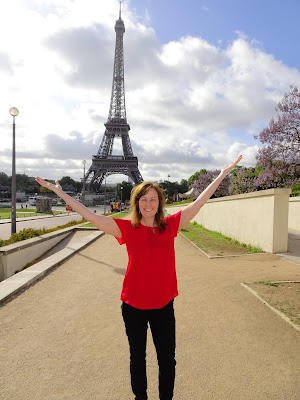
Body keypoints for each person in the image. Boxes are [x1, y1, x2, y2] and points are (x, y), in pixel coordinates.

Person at [35, 154, 242, 400]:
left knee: (167, 359)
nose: (148, 204)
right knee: (138, 358)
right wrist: (60, 193)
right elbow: (92, 217)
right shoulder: (127, 228)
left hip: (164, 304)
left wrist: (221, 174)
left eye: (153, 199)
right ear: (137, 202)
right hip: (133, 304)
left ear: (159, 203)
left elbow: (198, 203)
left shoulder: (171, 225)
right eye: (144, 199)